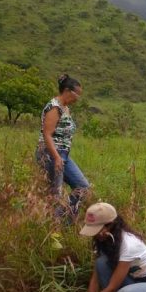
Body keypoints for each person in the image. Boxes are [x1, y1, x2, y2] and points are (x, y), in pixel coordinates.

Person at [36, 74, 90, 219]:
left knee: (83, 187)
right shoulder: (54, 107)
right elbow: (47, 134)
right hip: (51, 154)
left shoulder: (65, 108)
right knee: (55, 194)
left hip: (63, 154)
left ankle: (64, 221)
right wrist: (56, 157)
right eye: (76, 94)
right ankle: (52, 227)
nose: (77, 98)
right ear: (67, 90)